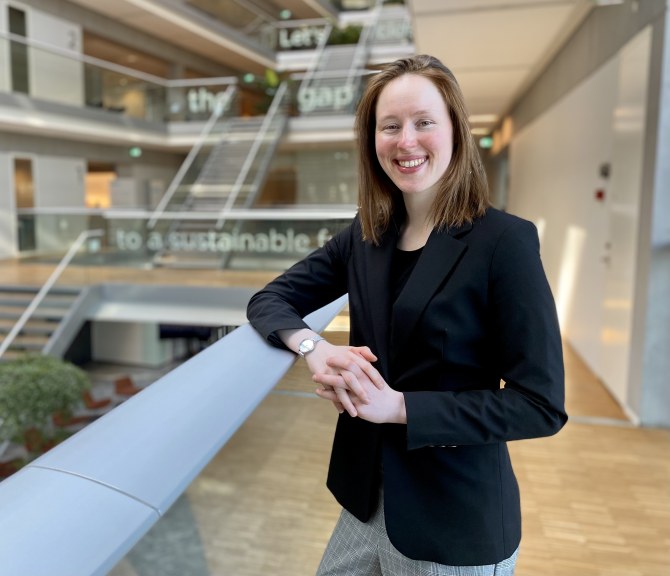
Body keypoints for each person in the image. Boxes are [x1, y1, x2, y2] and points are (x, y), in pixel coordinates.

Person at [246, 54, 567, 575]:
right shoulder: (367, 234)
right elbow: (269, 300)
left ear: (456, 131)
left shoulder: (503, 242)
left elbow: (540, 406)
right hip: (366, 500)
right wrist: (315, 349)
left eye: (423, 122)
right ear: (372, 141)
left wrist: (399, 408)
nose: (405, 141)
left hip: (453, 520)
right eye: (389, 126)